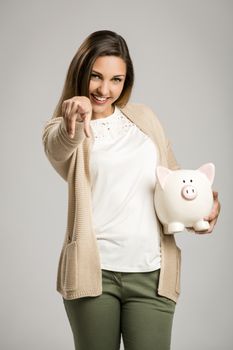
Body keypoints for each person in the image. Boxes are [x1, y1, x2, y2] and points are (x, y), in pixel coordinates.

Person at [42, 30, 221, 350]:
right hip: (93, 276)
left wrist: (200, 206)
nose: (104, 89)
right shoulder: (63, 129)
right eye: (96, 77)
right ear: (81, 73)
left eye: (116, 79)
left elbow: (173, 179)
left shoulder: (144, 119)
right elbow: (58, 148)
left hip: (152, 274)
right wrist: (75, 118)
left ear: (126, 81)